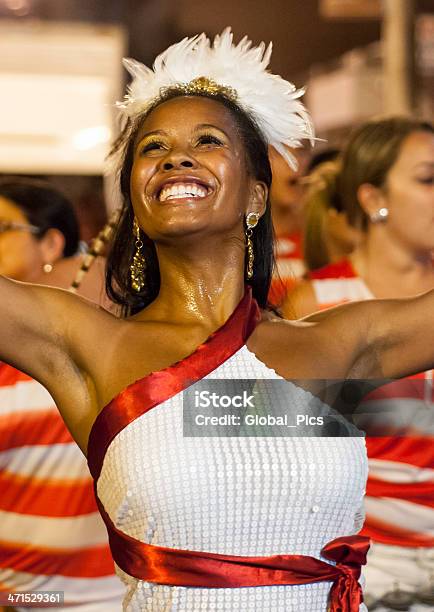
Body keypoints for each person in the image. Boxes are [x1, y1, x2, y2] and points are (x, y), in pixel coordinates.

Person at [0, 30, 433, 611]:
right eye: (152, 149)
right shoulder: (86, 344)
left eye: (207, 141)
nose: (176, 156)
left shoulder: (340, 345)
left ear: (257, 198)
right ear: (133, 199)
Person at [283, 117, 434, 609]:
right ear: (373, 200)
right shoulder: (317, 303)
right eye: (428, 179)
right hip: (364, 564)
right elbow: (287, 448)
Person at [0, 178, 124, 611]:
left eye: (1, 228)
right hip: (24, 599)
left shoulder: (124, 330)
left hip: (131, 596)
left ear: (51, 245)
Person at [268, 146, 310, 304]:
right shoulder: (233, 240)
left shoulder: (329, 234)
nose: (294, 163)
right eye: (279, 152)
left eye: (302, 150)